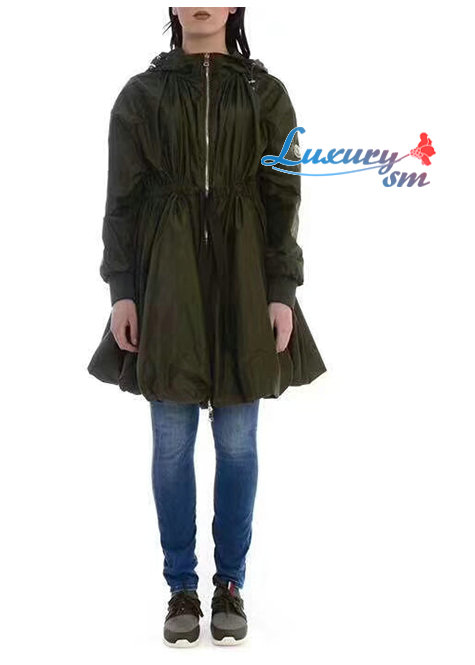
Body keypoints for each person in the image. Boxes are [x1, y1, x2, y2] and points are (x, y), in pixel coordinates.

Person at [87, 7, 326, 647]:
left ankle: (230, 585)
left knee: (239, 441)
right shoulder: (141, 96)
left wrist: (281, 290)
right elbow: (120, 201)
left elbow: (284, 195)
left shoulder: (266, 93)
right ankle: (181, 587)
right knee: (171, 440)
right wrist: (122, 290)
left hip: (244, 279)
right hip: (166, 281)